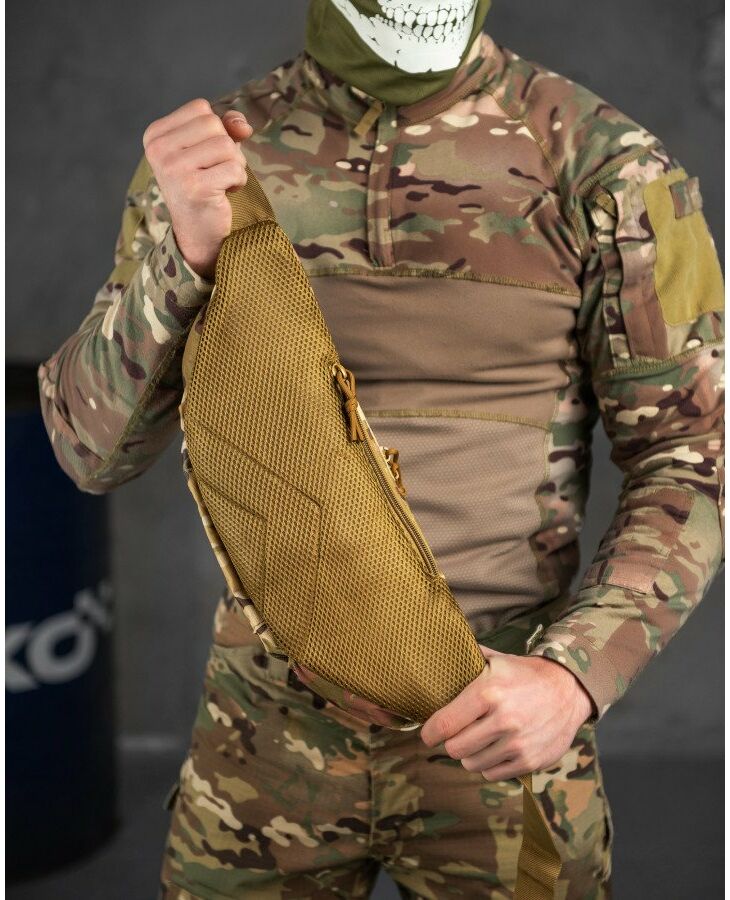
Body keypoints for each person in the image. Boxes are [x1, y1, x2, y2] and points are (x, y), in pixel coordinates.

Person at [38, 1, 724, 896]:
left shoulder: (604, 163)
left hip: (501, 723)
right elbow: (87, 449)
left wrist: (573, 677)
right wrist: (185, 259)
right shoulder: (214, 161)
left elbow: (692, 456)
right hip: (264, 730)